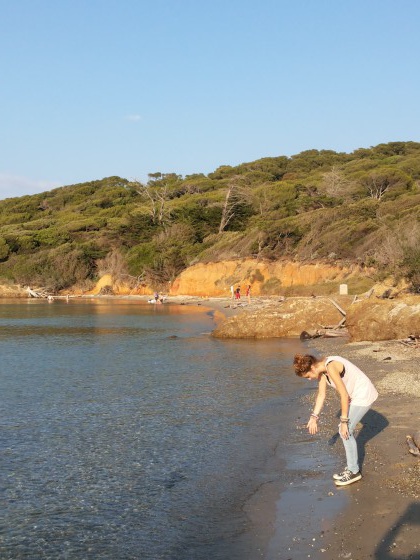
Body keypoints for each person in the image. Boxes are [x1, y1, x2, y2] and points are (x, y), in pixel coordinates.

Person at [293, 353, 378, 487]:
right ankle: (351, 468)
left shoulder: (330, 367)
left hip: (363, 395)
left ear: (313, 368)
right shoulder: (322, 371)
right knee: (343, 430)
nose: (309, 379)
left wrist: (344, 421)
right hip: (355, 396)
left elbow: (343, 395)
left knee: (345, 431)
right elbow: (321, 395)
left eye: (308, 376)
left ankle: (354, 471)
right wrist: (313, 417)